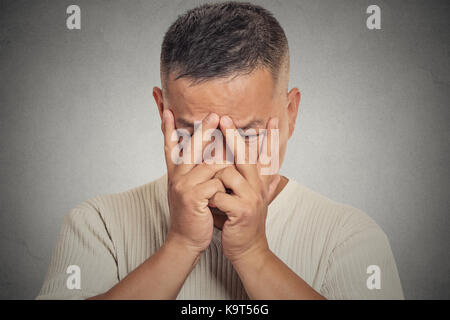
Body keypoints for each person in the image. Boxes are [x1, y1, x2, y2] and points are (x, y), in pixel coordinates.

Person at [37, 1, 404, 300]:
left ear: (290, 115)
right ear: (162, 112)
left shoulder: (350, 237)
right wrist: (180, 245)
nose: (220, 159)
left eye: (246, 134)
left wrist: (254, 255)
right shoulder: (98, 225)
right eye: (195, 132)